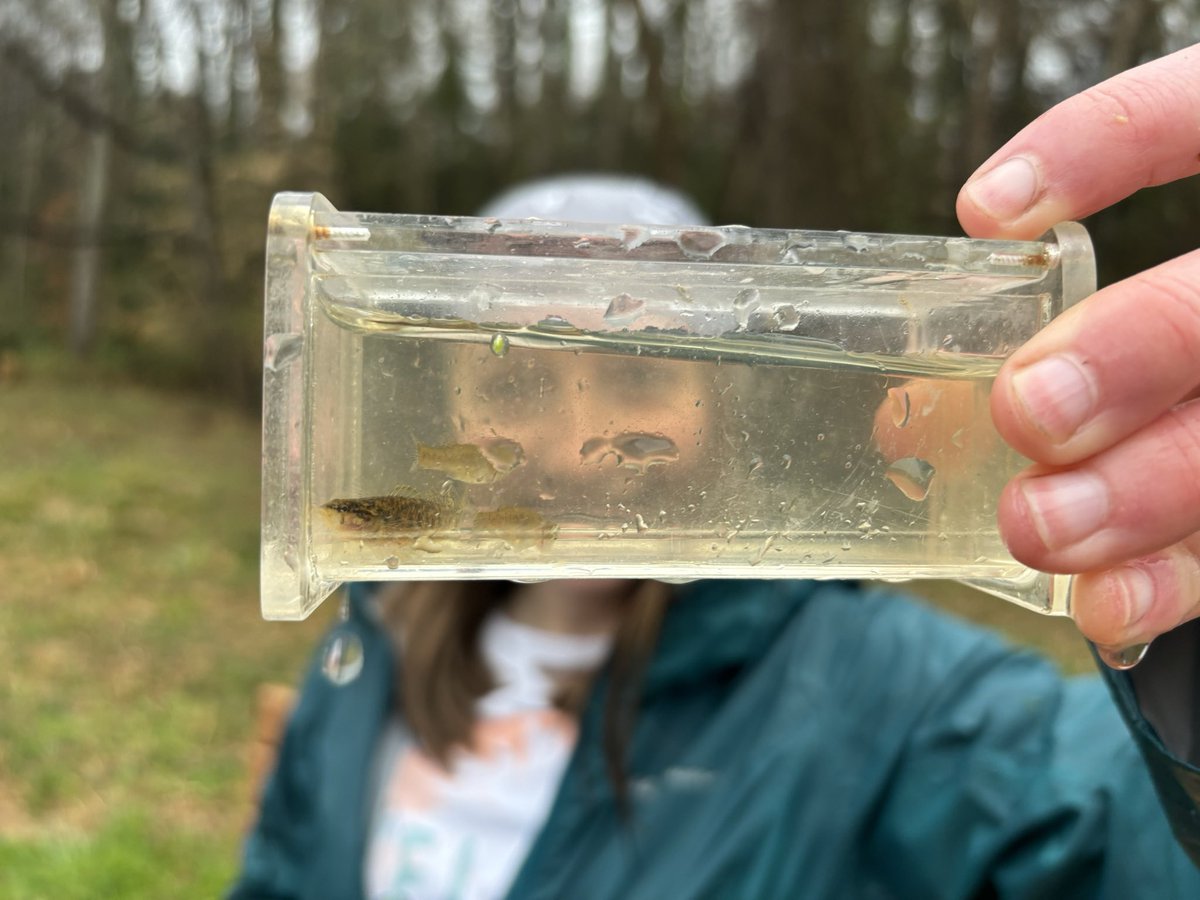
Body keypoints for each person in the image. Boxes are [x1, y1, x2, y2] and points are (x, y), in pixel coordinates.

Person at [231, 45, 1200, 899]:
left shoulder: (893, 701)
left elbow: (1126, 841)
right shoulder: (370, 646)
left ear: (726, 401)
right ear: (445, 406)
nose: (578, 444)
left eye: (639, 376)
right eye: (516, 379)